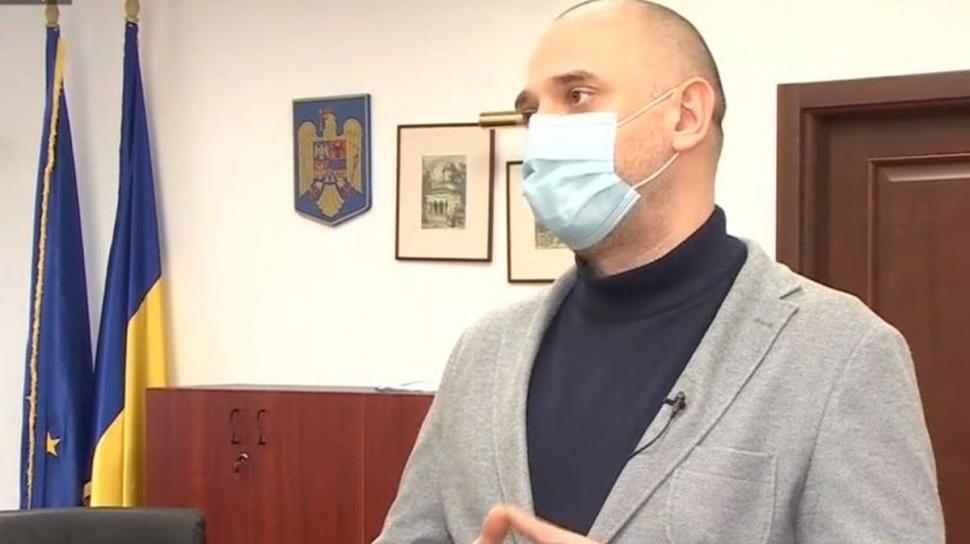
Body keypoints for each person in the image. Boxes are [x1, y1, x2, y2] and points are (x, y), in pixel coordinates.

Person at [374, 1, 945, 542]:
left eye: (577, 96)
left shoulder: (840, 352)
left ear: (686, 115)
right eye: (531, 112)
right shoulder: (484, 351)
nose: (542, 132)